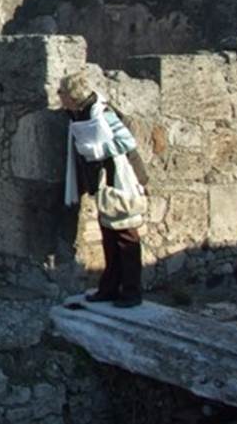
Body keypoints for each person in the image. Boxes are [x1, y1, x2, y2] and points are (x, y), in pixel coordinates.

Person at [58, 71, 146, 308]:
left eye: (61, 92)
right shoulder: (79, 114)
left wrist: (95, 151)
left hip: (119, 181)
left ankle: (131, 292)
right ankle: (109, 289)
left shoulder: (102, 113)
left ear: (72, 95)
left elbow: (126, 142)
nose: (58, 96)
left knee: (126, 237)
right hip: (103, 183)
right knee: (109, 237)